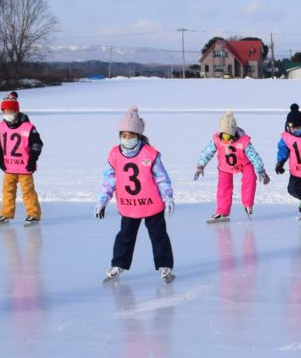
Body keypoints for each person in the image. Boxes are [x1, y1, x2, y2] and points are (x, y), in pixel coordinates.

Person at [95, 107, 176, 283]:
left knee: (158, 236)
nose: (127, 139)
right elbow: (109, 180)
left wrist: (168, 197)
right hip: (129, 205)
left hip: (151, 205)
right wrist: (102, 200)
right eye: (123, 135)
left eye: (131, 135)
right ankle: (118, 264)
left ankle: (164, 265)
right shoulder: (114, 154)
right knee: (124, 237)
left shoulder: (150, 154)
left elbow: (162, 178)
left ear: (138, 135)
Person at [194, 111, 270, 223]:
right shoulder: (216, 140)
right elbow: (207, 152)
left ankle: (248, 204)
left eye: (229, 136)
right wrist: (201, 165)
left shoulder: (244, 141)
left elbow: (253, 156)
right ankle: (222, 212)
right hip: (225, 167)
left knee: (250, 179)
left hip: (244, 164)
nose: (226, 139)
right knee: (223, 188)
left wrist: (261, 170)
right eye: (224, 135)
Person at [0, 91, 43, 226]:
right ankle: (6, 213)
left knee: (27, 191)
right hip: (9, 166)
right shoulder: (1, 126)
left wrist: (32, 160)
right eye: (4, 111)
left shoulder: (28, 127)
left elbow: (37, 144)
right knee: (7, 191)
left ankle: (33, 214)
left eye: (9, 110)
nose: (6, 114)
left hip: (24, 167)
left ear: (16, 111)